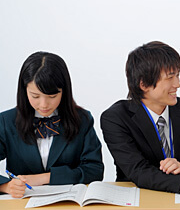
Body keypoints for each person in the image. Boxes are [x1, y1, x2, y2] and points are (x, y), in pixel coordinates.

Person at [101, 41, 180, 196]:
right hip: (138, 198)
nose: (178, 84)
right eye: (170, 77)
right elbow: (137, 171)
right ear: (144, 84)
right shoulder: (116, 118)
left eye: (178, 75)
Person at [0, 52, 104, 198]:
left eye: (52, 96)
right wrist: (6, 186)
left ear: (64, 91)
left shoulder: (82, 119)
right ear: (24, 91)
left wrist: (44, 178)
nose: (44, 105)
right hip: (22, 203)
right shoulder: (6, 121)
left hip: (69, 203)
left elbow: (94, 170)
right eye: (35, 96)